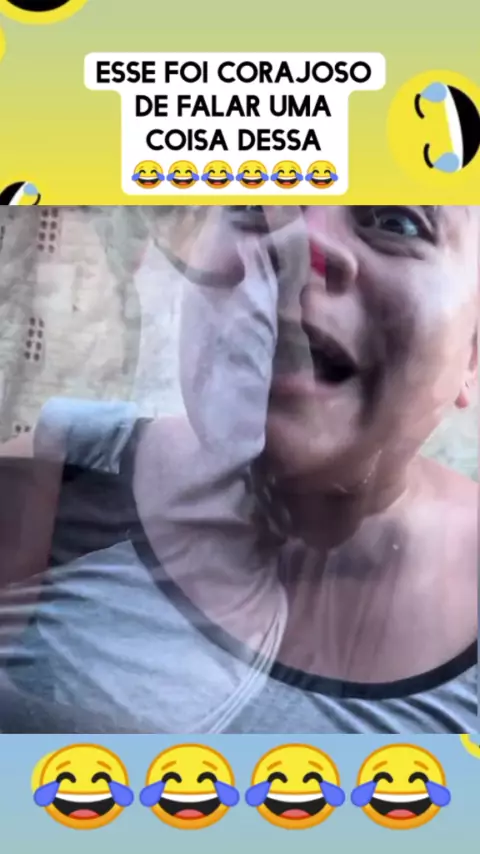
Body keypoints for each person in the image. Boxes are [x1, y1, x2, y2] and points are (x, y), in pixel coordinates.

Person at [0, 204, 477, 734]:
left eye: (395, 222)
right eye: (252, 202)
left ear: (474, 350)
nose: (293, 246)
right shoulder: (62, 464)